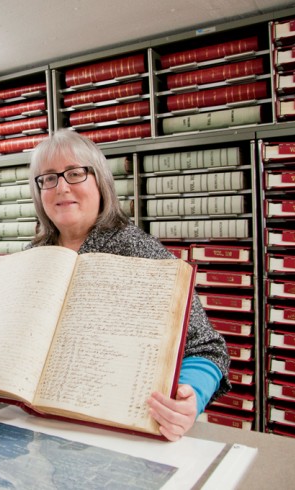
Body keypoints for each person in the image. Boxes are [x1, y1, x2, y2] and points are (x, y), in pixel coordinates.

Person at [27, 128, 230, 441]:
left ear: (101, 182)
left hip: (116, 431)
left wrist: (191, 397)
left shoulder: (137, 249)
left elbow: (206, 346)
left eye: (75, 173)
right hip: (33, 428)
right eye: (48, 178)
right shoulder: (31, 258)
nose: (61, 187)